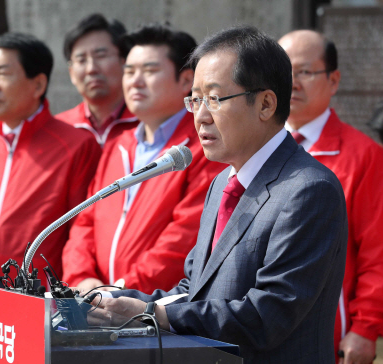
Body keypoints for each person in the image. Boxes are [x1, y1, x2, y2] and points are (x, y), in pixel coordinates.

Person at [93, 26, 348, 364]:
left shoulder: (308, 190)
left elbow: (268, 315)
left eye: (214, 99)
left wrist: (153, 314)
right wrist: (121, 302)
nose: (200, 116)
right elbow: (195, 290)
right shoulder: (222, 184)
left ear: (266, 104)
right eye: (195, 99)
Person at [62, 24, 225, 295]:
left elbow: (184, 238)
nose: (135, 81)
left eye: (149, 71)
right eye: (129, 71)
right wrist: (83, 278)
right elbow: (85, 220)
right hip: (97, 300)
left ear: (186, 81)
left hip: (154, 309)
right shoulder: (118, 145)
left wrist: (121, 290)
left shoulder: (203, 148)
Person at [0, 32, 101, 283]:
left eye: (2, 74)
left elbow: (80, 233)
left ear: (37, 84)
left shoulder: (76, 146)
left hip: (33, 304)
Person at [279, 30, 383, 364]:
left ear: (334, 80)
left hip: (328, 337)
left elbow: (377, 250)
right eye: (283, 72)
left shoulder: (363, 155)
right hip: (259, 329)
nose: (292, 82)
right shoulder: (252, 150)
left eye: (304, 72)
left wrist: (366, 327)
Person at [56, 13, 137, 148]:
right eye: (81, 60)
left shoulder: (147, 124)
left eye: (101, 56)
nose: (91, 69)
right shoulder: (59, 129)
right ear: (71, 73)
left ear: (124, 61)